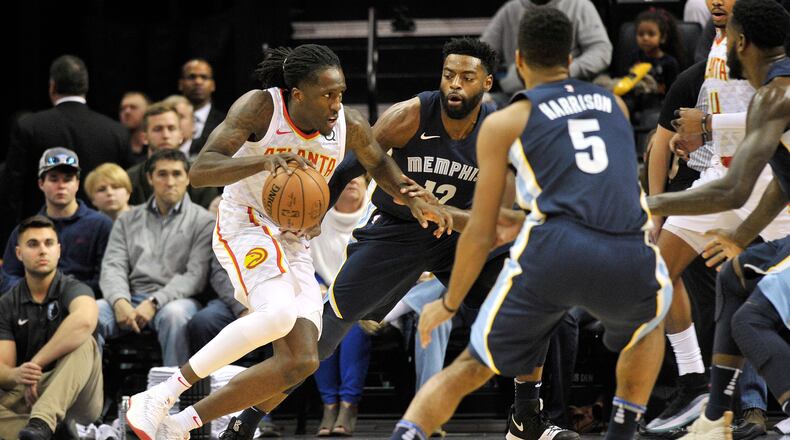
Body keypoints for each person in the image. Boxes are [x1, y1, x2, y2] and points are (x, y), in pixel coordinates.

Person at [123, 43, 449, 440]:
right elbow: (201, 171)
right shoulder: (261, 108)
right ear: (298, 94)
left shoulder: (350, 124)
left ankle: (179, 425)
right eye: (327, 95)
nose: (336, 104)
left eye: (341, 93)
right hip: (245, 223)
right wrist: (261, 161)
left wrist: (410, 194)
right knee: (277, 314)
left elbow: (378, 163)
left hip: (294, 239)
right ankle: (161, 393)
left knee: (302, 361)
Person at [390, 9, 673, 440]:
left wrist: (448, 305)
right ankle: (622, 428)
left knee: (471, 366)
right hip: (627, 248)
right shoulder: (613, 103)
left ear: (518, 59)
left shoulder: (505, 120)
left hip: (556, 251)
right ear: (571, 56)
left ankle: (406, 434)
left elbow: (482, 231)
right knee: (651, 318)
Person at [642, 0, 790, 433]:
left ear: (743, 43)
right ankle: (703, 400)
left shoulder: (775, 82)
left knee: (752, 317)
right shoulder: (732, 58)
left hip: (745, 180)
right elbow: (780, 183)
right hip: (736, 175)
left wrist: (650, 205)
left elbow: (738, 186)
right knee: (721, 279)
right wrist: (741, 234)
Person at [97, 149, 214, 367]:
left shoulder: (204, 221)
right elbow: (113, 266)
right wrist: (119, 300)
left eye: (177, 174)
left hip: (175, 300)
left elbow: (195, 276)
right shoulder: (127, 219)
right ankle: (91, 397)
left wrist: (155, 301)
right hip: (130, 298)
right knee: (90, 314)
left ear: (188, 178)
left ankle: (173, 398)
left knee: (174, 315)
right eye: (162, 174)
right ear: (150, 178)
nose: (170, 182)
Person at [0, 216, 101, 440]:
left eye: (48, 243)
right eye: (33, 244)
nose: (42, 250)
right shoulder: (7, 302)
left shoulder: (73, 288)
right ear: (18, 253)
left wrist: (35, 364)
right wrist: (18, 374)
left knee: (85, 342)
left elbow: (84, 320)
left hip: (79, 395)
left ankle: (43, 422)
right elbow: (3, 370)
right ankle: (46, 431)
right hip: (30, 394)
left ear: (59, 250)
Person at [7, 55, 129, 223]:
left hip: (39, 236)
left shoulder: (29, 127)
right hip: (98, 236)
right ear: (85, 87)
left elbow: (12, 192)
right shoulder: (116, 132)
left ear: (52, 86)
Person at [2, 148, 112, 297]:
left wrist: (62, 292)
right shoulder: (25, 230)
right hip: (33, 304)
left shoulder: (101, 225)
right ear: (41, 183)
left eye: (68, 179)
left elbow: (106, 278)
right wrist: (37, 292)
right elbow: (9, 277)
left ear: (77, 184)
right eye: (54, 179)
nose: (61, 185)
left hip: (84, 302)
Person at [311, 175, 369, 436]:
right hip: (323, 291)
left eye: (360, 176)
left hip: (369, 294)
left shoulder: (376, 211)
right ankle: (329, 405)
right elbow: (304, 259)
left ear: (368, 184)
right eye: (349, 174)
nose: (353, 180)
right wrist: (317, 285)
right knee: (319, 321)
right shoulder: (317, 212)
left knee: (352, 323)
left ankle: (348, 405)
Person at [481, 0, 612, 100]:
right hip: (519, 92)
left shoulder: (580, 5)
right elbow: (480, 55)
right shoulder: (511, 9)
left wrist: (560, 72)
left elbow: (601, 51)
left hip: (569, 90)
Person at [126, 101, 219, 209]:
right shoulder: (130, 178)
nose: (166, 135)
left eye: (171, 128)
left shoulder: (200, 177)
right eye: (158, 129)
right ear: (144, 138)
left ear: (181, 135)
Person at [625, 8, 683, 95]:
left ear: (662, 37)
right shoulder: (634, 56)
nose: (645, 38)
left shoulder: (669, 63)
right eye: (641, 34)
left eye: (651, 34)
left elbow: (673, 91)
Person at [179, 59, 226, 157]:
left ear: (213, 85)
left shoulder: (225, 122)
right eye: (192, 77)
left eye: (204, 77)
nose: (198, 81)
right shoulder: (168, 120)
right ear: (180, 84)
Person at [119, 91, 151, 165]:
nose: (127, 112)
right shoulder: (116, 147)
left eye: (133, 107)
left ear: (148, 111)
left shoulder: (156, 144)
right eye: (123, 108)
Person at [162, 95, 196, 159]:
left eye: (180, 117)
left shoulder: (205, 153)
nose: (174, 122)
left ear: (193, 124)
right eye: (169, 118)